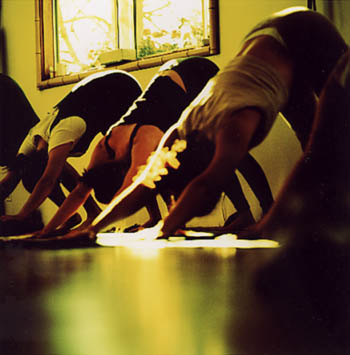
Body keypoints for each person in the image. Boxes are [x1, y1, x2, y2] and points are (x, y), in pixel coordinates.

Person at [61, 6, 348, 241]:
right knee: (314, 137)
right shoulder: (179, 132)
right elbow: (143, 186)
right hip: (267, 40)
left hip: (305, 31)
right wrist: (92, 228)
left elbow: (207, 184)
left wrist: (266, 225)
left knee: (326, 138)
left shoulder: (234, 127)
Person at [36, 56, 274, 237]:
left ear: (120, 172)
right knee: (203, 148)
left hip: (196, 73)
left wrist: (93, 229)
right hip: (169, 80)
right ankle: (239, 215)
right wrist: (47, 232)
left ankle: (264, 210)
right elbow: (79, 191)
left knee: (227, 145)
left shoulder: (145, 140)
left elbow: (134, 192)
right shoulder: (103, 148)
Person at [0, 70, 142, 235]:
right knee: (58, 167)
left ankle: (154, 216)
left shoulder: (63, 133)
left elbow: (47, 181)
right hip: (98, 96)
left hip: (122, 89)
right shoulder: (30, 142)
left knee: (130, 157)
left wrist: (21, 215)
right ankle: (87, 214)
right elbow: (9, 181)